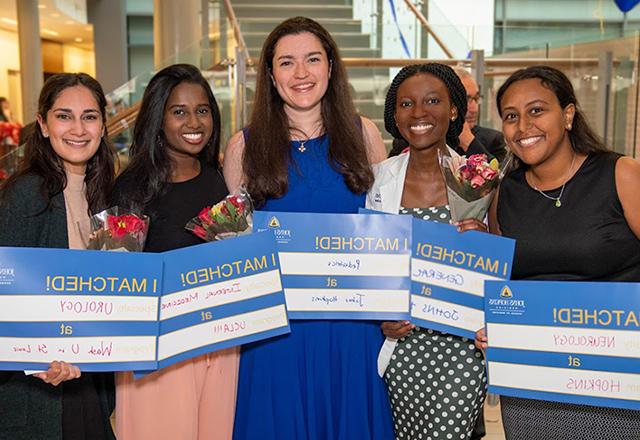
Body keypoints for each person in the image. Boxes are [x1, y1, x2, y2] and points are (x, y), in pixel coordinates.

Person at [223, 16, 393, 440]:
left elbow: (384, 231)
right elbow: (236, 247)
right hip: (277, 335)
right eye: (286, 62)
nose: (301, 73)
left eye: (312, 60)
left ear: (331, 68)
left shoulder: (364, 134)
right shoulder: (243, 146)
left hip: (352, 329)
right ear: (270, 74)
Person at [475, 65, 640, 439]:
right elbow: (507, 285)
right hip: (534, 386)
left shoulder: (621, 174)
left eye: (537, 110)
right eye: (511, 116)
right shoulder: (504, 194)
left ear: (567, 114)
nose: (523, 126)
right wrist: (494, 326)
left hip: (619, 381)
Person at [111, 64, 238, 440]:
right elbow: (118, 281)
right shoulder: (130, 189)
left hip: (219, 345)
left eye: (202, 110)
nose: (193, 121)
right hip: (158, 351)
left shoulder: (217, 179)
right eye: (179, 111)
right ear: (158, 118)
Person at [366, 63, 488, 440]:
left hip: (461, 352)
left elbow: (505, 263)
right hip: (400, 348)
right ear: (394, 115)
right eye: (406, 104)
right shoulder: (376, 179)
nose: (419, 113)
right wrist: (381, 321)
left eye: (433, 101)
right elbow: (367, 265)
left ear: (454, 111)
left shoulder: (479, 178)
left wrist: (485, 241)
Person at [0, 73, 116, 440]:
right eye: (64, 116)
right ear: (43, 125)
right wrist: (37, 361)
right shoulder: (26, 194)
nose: (78, 129)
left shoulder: (106, 197)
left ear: (103, 125)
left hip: (89, 381)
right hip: (41, 393)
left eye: (90, 116)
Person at [453, 68, 506, 162]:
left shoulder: (493, 140)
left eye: (476, 99)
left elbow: (501, 175)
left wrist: (469, 143)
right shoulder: (429, 139)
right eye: (466, 99)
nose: (474, 109)